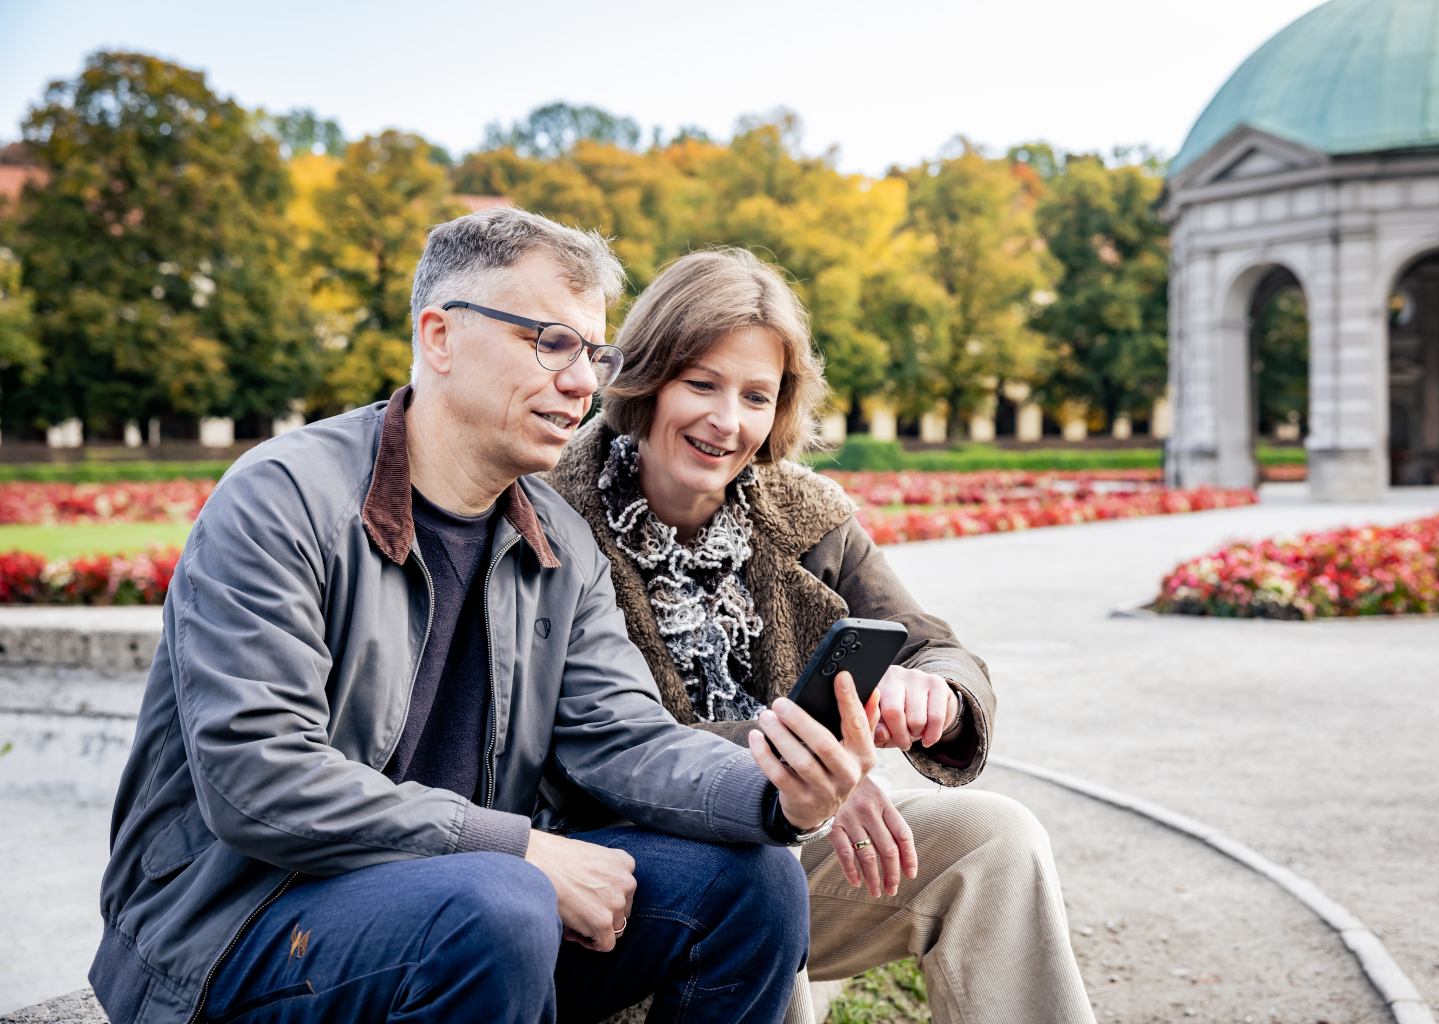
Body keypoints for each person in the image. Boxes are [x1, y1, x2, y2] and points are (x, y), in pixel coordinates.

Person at [90, 210, 881, 1024]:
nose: (583, 382)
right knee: (499, 904)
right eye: (550, 342)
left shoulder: (559, 544)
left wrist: (777, 793)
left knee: (752, 884)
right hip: (239, 928)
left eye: (593, 353)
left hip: (468, 911)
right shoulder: (280, 500)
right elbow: (260, 780)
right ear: (439, 337)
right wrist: (523, 849)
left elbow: (626, 739)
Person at [547, 248, 1096, 1024]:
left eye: (756, 395)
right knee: (758, 880)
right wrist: (810, 775)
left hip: (801, 822)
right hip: (632, 865)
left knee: (997, 839)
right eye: (700, 382)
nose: (726, 420)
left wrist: (935, 692)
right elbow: (598, 745)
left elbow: (936, 646)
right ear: (644, 375)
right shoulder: (552, 517)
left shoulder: (805, 511)